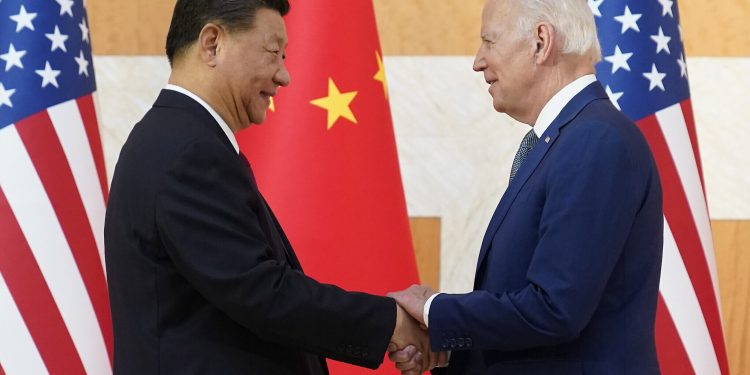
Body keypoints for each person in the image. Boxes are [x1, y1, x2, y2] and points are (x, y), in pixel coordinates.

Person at [104, 1, 435, 374]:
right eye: (273, 53)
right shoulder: (188, 151)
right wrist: (389, 322)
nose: (284, 76)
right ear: (212, 43)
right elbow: (261, 293)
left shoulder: (176, 138)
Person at [389, 0, 664, 373]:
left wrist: (432, 309)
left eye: (489, 41)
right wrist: (452, 348)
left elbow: (556, 308)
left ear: (540, 41)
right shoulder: (567, 138)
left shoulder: (595, 140)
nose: (478, 61)